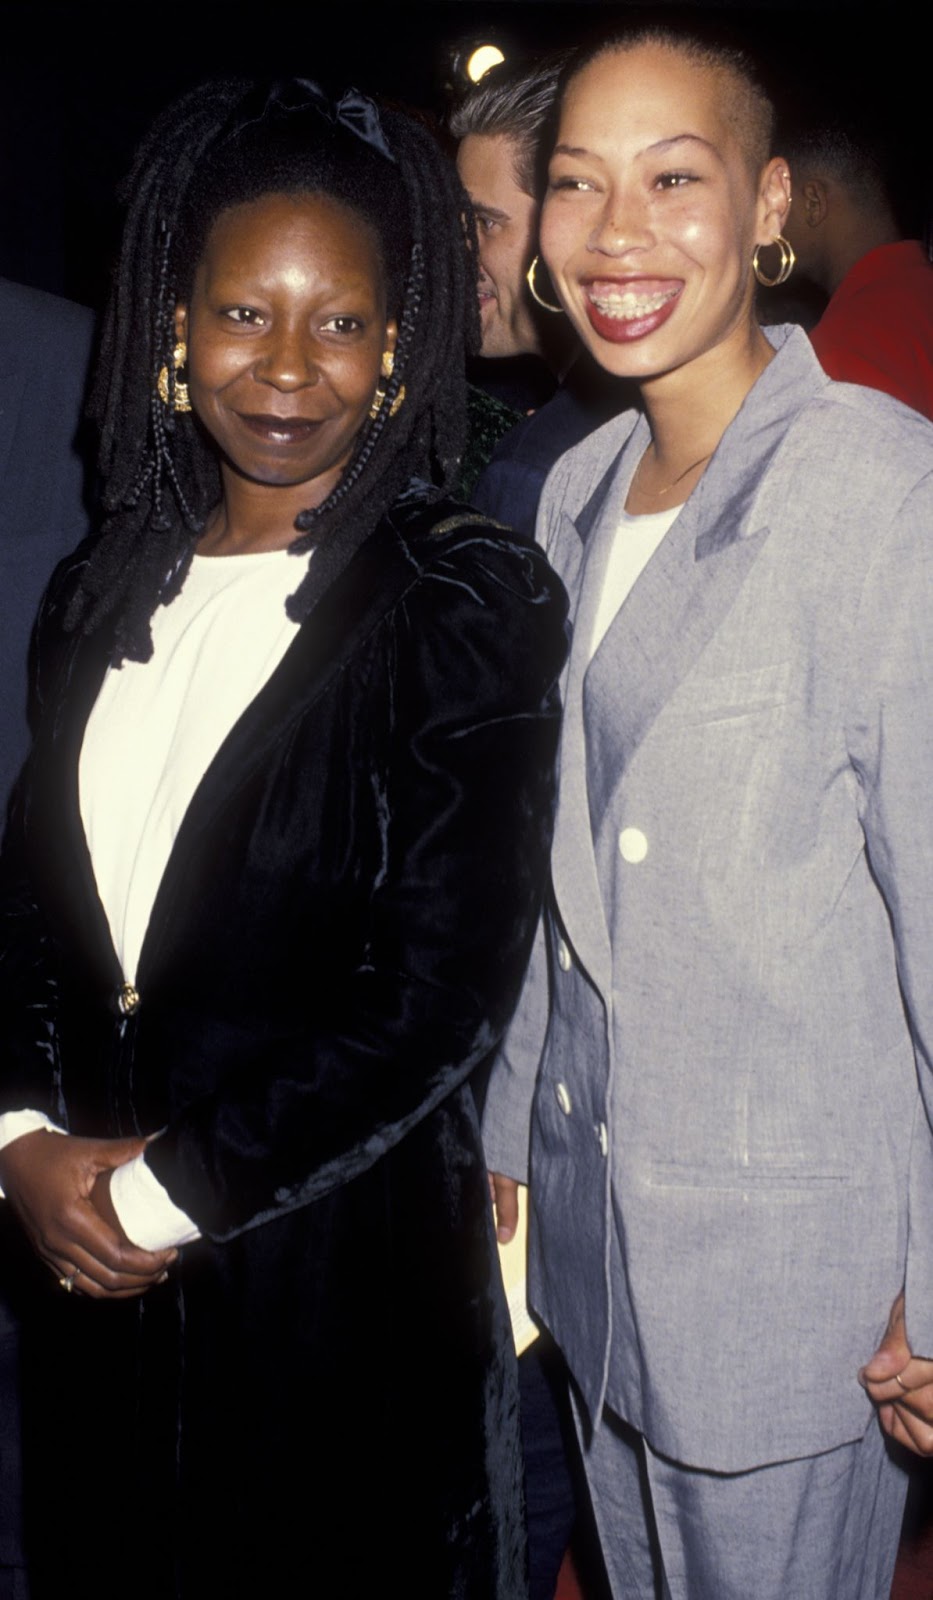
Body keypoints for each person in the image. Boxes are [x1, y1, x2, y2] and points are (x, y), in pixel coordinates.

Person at [0, 78, 568, 1600]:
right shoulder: (99, 588)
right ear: (175, 328)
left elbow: (437, 996)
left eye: (342, 324)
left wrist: (158, 1191)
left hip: (337, 1319)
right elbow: (33, 921)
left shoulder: (463, 596)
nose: (291, 370)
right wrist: (20, 1139)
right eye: (248, 313)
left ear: (397, 355)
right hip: (95, 1319)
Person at [484, 22, 933, 1600]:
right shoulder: (573, 487)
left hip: (799, 1282)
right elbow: (560, 868)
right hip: (604, 1244)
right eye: (577, 185)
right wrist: (512, 1128)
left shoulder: (876, 487)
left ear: (769, 208)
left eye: (675, 179)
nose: (617, 234)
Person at [781, 112, 933, 419]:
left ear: (813, 202)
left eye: (772, 196)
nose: (765, 217)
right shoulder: (919, 293)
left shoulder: (837, 357)